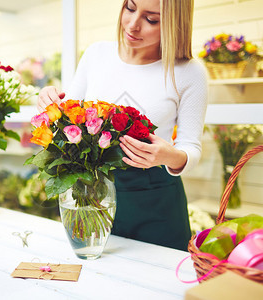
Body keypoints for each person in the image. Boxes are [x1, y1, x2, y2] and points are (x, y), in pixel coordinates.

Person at [37, 0, 207, 251]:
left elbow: (190, 146)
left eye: (151, 19)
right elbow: (70, 117)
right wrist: (49, 100)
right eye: (130, 7)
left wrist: (171, 156)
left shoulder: (189, 72)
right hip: (91, 192)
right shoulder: (96, 55)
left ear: (174, 24)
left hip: (156, 198)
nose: (132, 24)